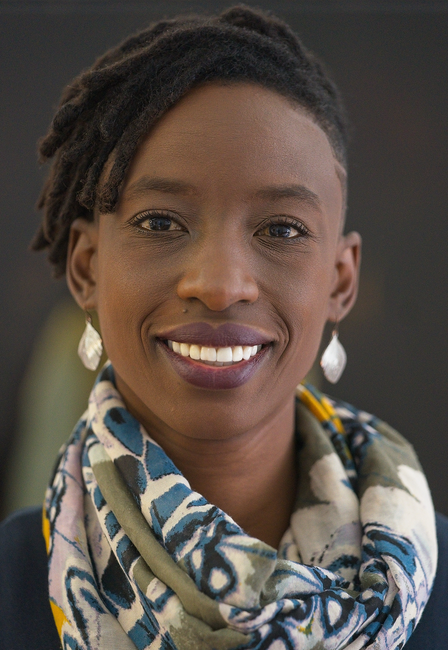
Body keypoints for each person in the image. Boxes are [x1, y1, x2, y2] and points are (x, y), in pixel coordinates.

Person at [0, 5, 447, 649]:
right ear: (87, 267)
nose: (219, 284)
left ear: (340, 282)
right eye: (160, 222)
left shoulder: (438, 588)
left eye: (281, 229)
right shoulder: (15, 583)